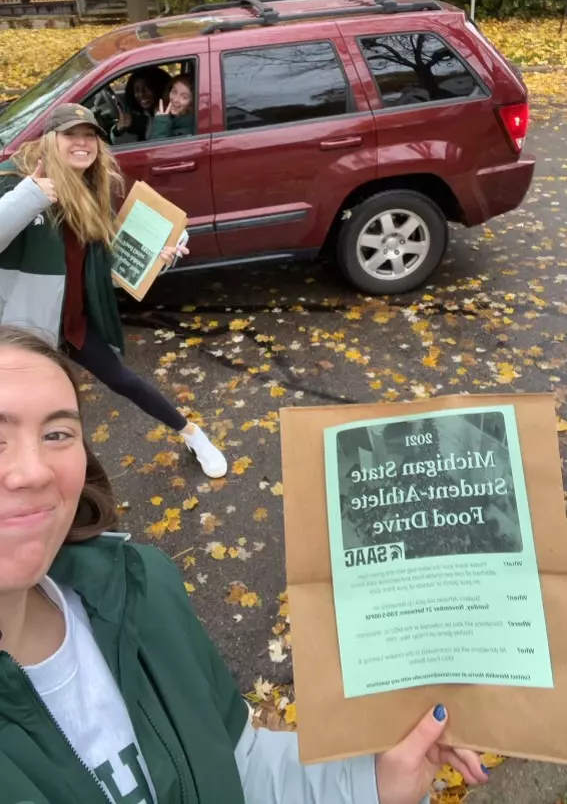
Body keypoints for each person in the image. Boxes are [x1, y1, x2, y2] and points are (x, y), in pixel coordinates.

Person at [0, 324, 487, 804]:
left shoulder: (140, 592)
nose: (33, 471)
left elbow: (237, 767)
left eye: (58, 433)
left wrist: (374, 784)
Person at [0, 104, 227, 479]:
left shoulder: (92, 191)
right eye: (71, 135)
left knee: (123, 379)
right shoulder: (17, 180)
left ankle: (193, 435)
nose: (82, 143)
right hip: (22, 334)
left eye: (89, 136)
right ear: (50, 139)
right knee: (30, 415)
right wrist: (31, 195)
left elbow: (108, 267)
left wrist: (160, 256)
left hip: (71, 323)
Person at [111, 66, 172, 143]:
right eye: (137, 90)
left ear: (158, 89)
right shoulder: (141, 116)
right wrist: (118, 130)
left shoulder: (168, 117)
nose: (141, 94)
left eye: (146, 89)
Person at [150, 73, 195, 139]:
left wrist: (161, 126)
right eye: (174, 92)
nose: (175, 99)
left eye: (184, 97)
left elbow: (157, 149)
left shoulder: (189, 133)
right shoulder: (171, 119)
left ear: (192, 102)